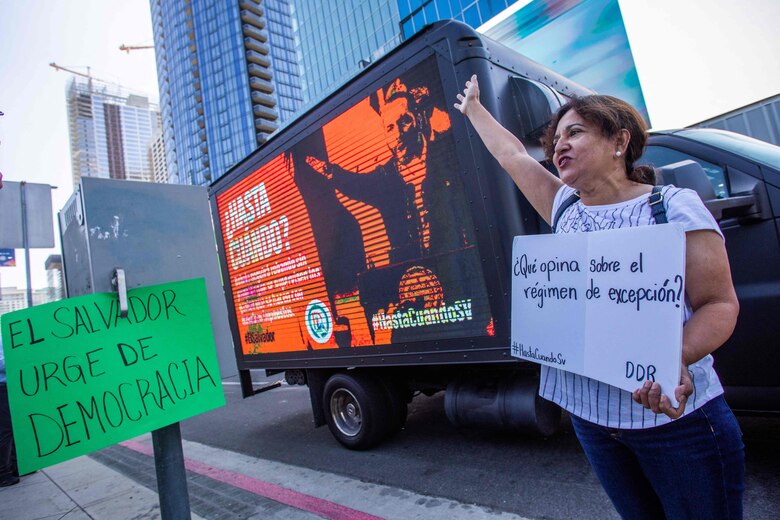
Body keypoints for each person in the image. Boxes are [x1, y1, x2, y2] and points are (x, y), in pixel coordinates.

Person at [455, 75, 744, 519]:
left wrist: (674, 357)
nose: (558, 147)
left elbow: (719, 305)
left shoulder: (671, 208)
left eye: (575, 133)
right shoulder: (564, 207)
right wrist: (474, 108)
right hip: (593, 425)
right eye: (555, 141)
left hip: (675, 425)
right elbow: (512, 155)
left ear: (619, 141)